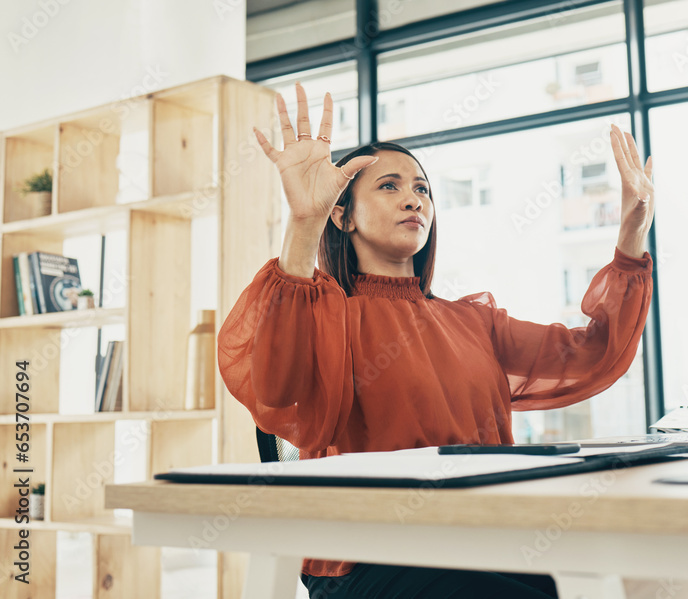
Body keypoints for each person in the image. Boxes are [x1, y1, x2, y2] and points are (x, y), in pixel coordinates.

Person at [218, 82, 657, 599]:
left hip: (482, 541)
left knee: (628, 581)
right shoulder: (323, 314)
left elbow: (591, 351)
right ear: (343, 214)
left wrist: (630, 237)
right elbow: (276, 384)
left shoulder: (473, 323)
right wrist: (303, 226)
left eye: (423, 189)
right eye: (389, 186)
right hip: (373, 559)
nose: (413, 198)